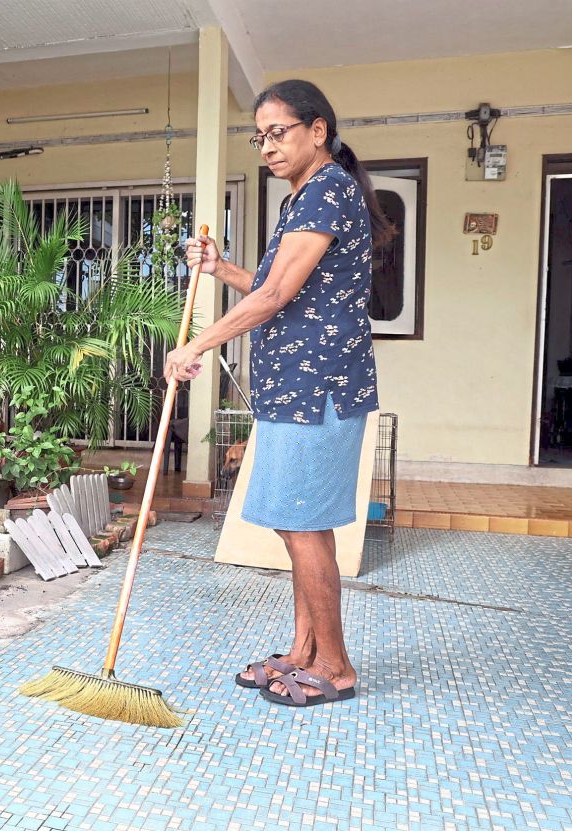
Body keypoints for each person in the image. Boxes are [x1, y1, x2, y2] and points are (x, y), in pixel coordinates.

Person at [163, 79, 394, 708]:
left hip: (318, 390)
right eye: (259, 136)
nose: (267, 146)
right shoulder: (304, 199)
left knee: (305, 528)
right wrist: (218, 269)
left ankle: (337, 667)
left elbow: (274, 298)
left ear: (316, 130)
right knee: (298, 525)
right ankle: (302, 652)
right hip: (296, 391)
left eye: (278, 132)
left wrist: (195, 345)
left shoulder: (326, 192)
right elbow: (269, 284)